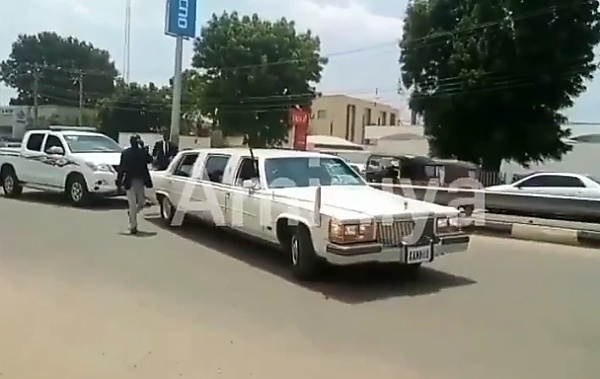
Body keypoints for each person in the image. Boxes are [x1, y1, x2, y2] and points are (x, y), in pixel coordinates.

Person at [116, 135, 153, 234]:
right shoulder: (126, 153)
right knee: (132, 204)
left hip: (140, 181)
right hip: (130, 181)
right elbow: (122, 168)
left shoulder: (142, 152)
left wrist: (145, 149)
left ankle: (132, 214)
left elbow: (150, 160)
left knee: (141, 202)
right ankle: (133, 226)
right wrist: (119, 182)